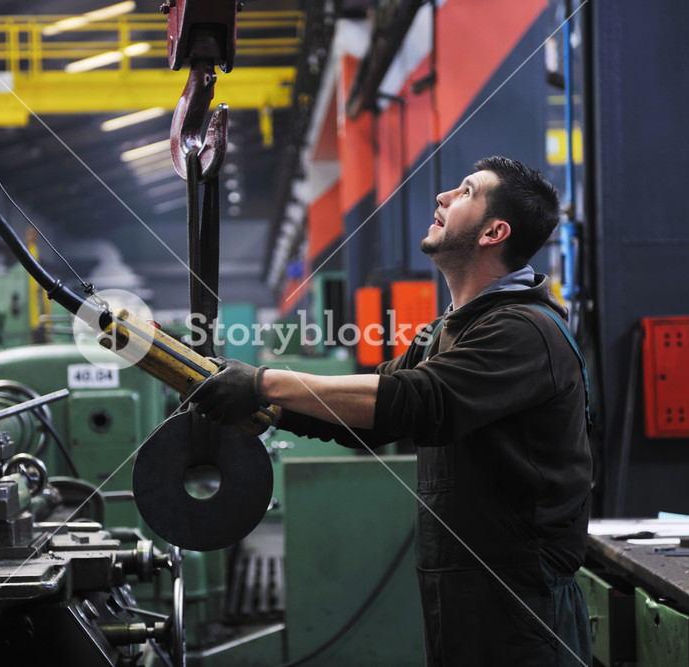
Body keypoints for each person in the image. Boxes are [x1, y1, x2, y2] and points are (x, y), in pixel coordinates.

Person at [189, 156, 593, 666]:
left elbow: (415, 400)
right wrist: (265, 405)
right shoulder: (447, 331)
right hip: (464, 596)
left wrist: (265, 382)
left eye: (466, 191)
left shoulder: (524, 330)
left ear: (494, 232)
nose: (443, 196)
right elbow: (371, 416)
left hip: (524, 606)